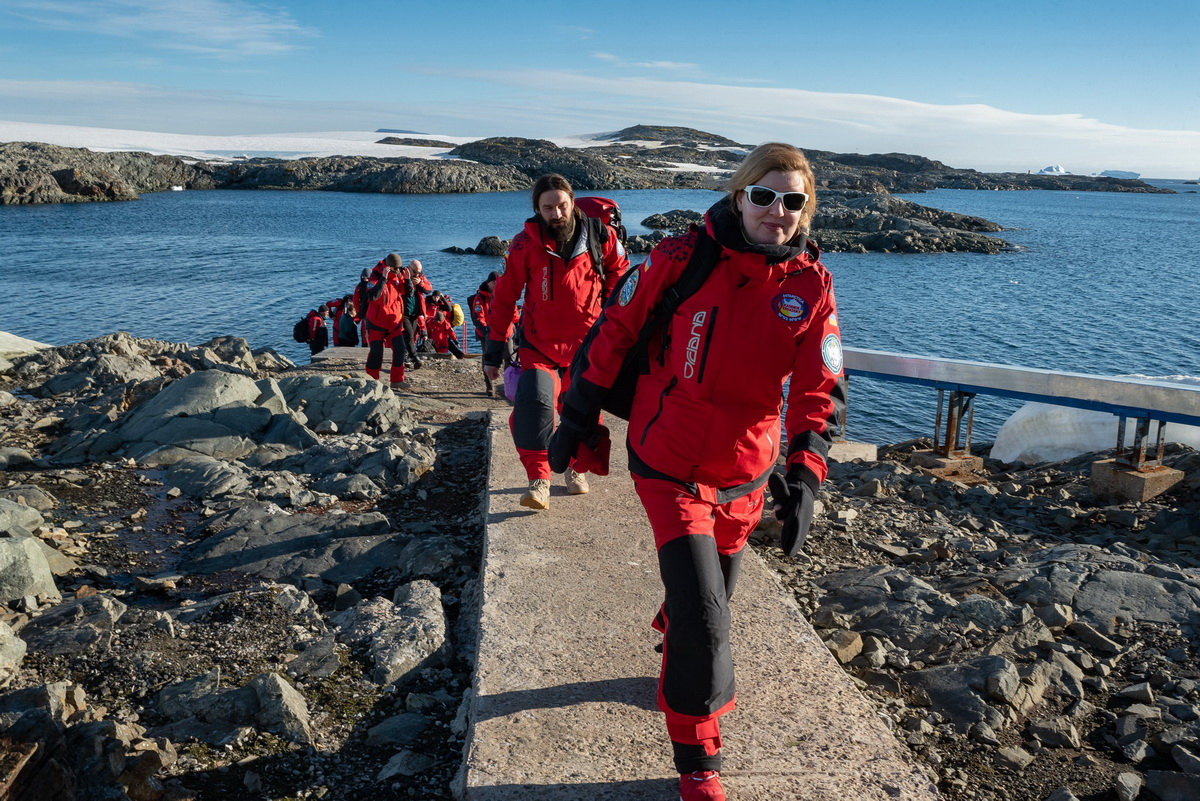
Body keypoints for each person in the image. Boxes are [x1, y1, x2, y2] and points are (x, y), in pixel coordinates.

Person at [548, 143, 846, 801]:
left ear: (805, 210)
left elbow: (820, 388)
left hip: (744, 475)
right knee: (708, 619)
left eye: (792, 200)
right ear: (740, 196)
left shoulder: (811, 288)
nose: (777, 210)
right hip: (668, 461)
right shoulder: (680, 260)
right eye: (764, 195)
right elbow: (615, 329)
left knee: (707, 601)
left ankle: (673, 626)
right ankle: (697, 761)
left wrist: (806, 477)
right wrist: (575, 417)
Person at [483, 174, 629, 510]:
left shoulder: (601, 237)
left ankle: (576, 469)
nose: (556, 213)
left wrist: (613, 327)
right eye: (547, 207)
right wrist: (492, 352)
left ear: (572, 202)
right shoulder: (523, 244)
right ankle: (539, 479)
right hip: (539, 345)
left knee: (583, 413)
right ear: (537, 209)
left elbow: (621, 279)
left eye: (561, 205)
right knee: (534, 403)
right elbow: (505, 299)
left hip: (587, 346)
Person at [363, 253, 408, 387]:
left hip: (393, 323)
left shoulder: (398, 276)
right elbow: (373, 296)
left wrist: (408, 280)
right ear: (389, 266)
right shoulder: (375, 276)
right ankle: (372, 381)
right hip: (376, 323)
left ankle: (397, 380)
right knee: (377, 353)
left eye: (399, 268)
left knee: (400, 349)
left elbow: (408, 293)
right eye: (395, 268)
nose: (398, 270)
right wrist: (383, 278)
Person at [399, 264, 427, 370]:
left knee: (410, 337)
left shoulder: (420, 278)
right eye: (415, 272)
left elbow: (428, 289)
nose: (417, 274)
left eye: (419, 272)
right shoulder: (401, 276)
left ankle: (404, 358)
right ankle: (415, 358)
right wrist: (407, 280)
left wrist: (420, 283)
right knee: (409, 335)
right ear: (410, 269)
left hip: (415, 314)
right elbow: (407, 291)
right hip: (403, 313)